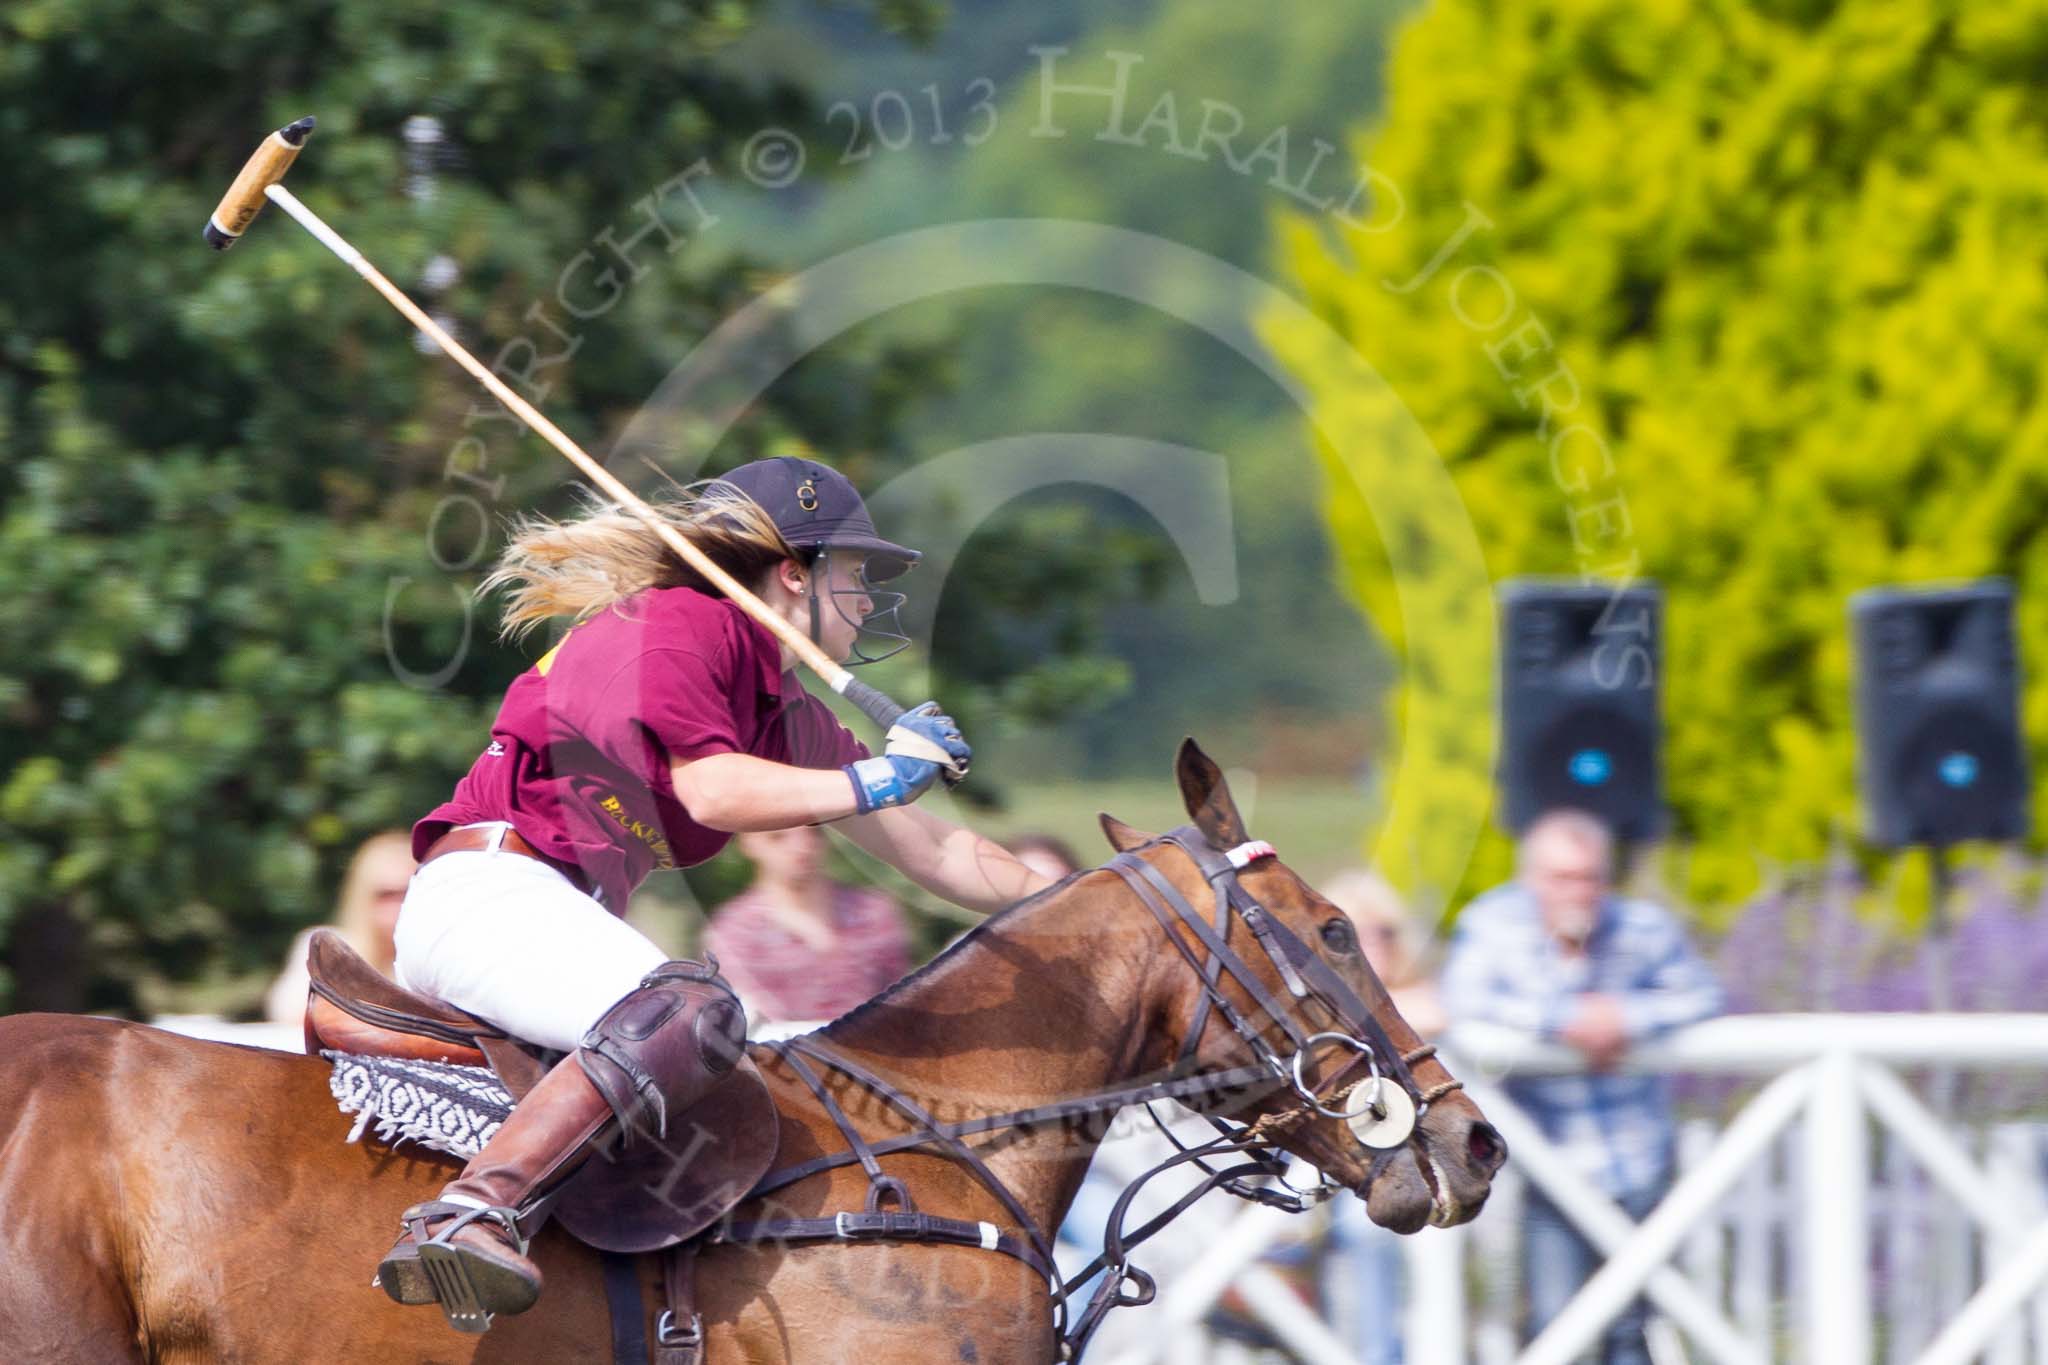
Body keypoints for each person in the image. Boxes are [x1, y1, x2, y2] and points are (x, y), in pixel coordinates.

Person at [374, 457, 1056, 1330]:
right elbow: (713, 792)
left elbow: (938, 851)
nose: (866, 600)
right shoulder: (683, 624)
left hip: (544, 913)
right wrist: (884, 775)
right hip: (489, 893)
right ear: (791, 573)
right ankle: (470, 1211)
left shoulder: (779, 707)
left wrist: (1101, 900)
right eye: (854, 575)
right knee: (691, 1012)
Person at [1440, 809, 1723, 1364]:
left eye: (1590, 877)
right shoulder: (1494, 922)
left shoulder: (1642, 927)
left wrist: (1625, 1018)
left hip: (1639, 1153)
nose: (1579, 892)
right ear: (1532, 879)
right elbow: (1462, 1002)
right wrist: (1563, 1019)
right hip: (1552, 1161)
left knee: (1632, 1326)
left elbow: (1702, 995)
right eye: (1562, 878)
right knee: (1557, 1326)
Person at [1315, 868, 1441, 1365]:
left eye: (1382, 932)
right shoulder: (1313, 1027)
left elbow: (1444, 1008)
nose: (1371, 947)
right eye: (1352, 935)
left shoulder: (1422, 1001)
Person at [702, 823, 911, 1024]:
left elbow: (900, 1001)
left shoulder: (874, 912)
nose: (801, 846)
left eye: (814, 832)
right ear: (748, 843)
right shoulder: (733, 931)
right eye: (778, 837)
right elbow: (748, 1020)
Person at [264, 830, 414, 1026]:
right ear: (362, 897)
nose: (397, 907)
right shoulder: (327, 948)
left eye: (407, 893)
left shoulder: (433, 967)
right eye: (385, 895)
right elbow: (291, 1015)